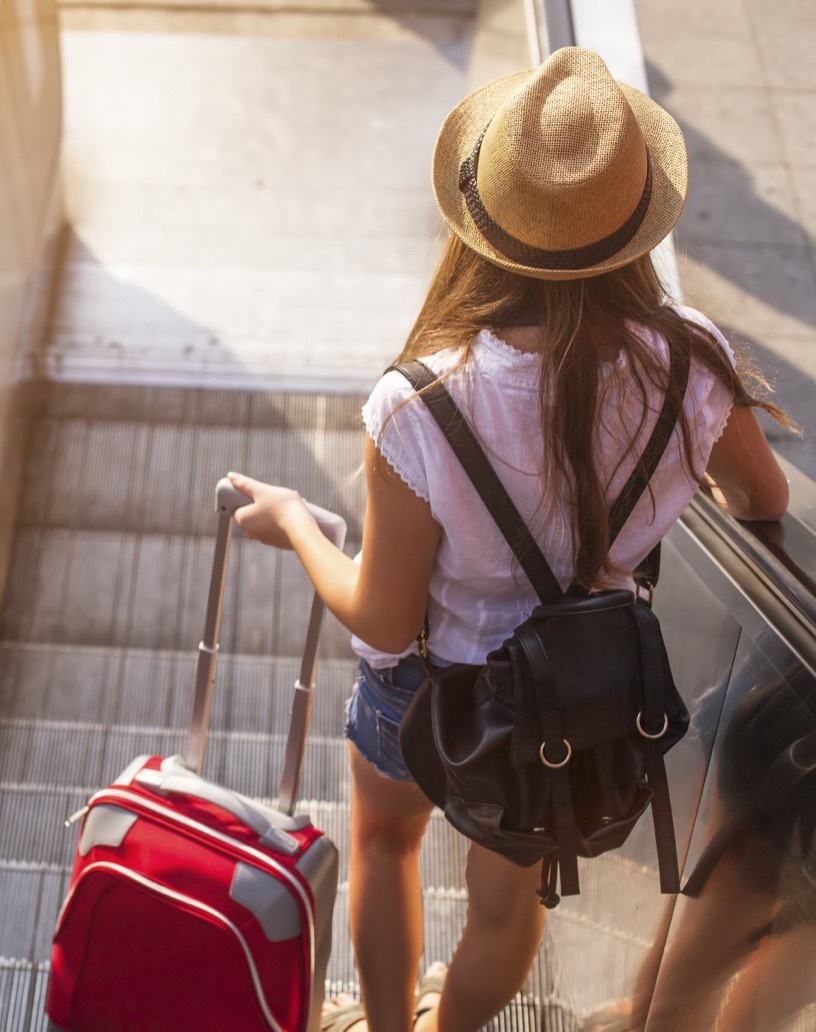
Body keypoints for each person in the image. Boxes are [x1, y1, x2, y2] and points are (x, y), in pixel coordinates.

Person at [227, 46, 792, 1032]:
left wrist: (292, 526)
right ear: (633, 225)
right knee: (507, 911)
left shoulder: (418, 407)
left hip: (424, 691)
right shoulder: (693, 363)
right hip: (575, 704)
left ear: (485, 225)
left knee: (387, 849)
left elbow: (383, 617)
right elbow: (761, 496)